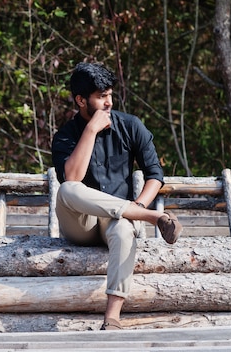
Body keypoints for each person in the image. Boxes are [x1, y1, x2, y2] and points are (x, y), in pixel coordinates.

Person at [51, 61, 182, 330]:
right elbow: (72, 178)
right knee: (67, 189)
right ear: (81, 100)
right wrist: (90, 130)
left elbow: (155, 175)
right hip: (81, 224)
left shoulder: (131, 126)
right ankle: (153, 218)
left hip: (118, 218)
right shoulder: (65, 136)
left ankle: (111, 318)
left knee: (123, 229)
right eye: (101, 97)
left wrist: (137, 205)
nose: (109, 102)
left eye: (110, 94)